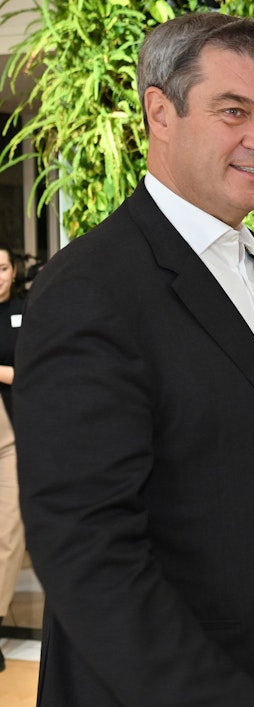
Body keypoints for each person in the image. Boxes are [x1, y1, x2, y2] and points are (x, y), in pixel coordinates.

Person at [13, 13, 254, 707]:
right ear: (161, 112)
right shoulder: (93, 288)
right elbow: (87, 552)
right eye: (234, 111)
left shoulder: (249, 262)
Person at [0, 244, 24, 673]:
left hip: (11, 432)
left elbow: (36, 369)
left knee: (9, 532)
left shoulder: (27, 311)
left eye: (1, 268)